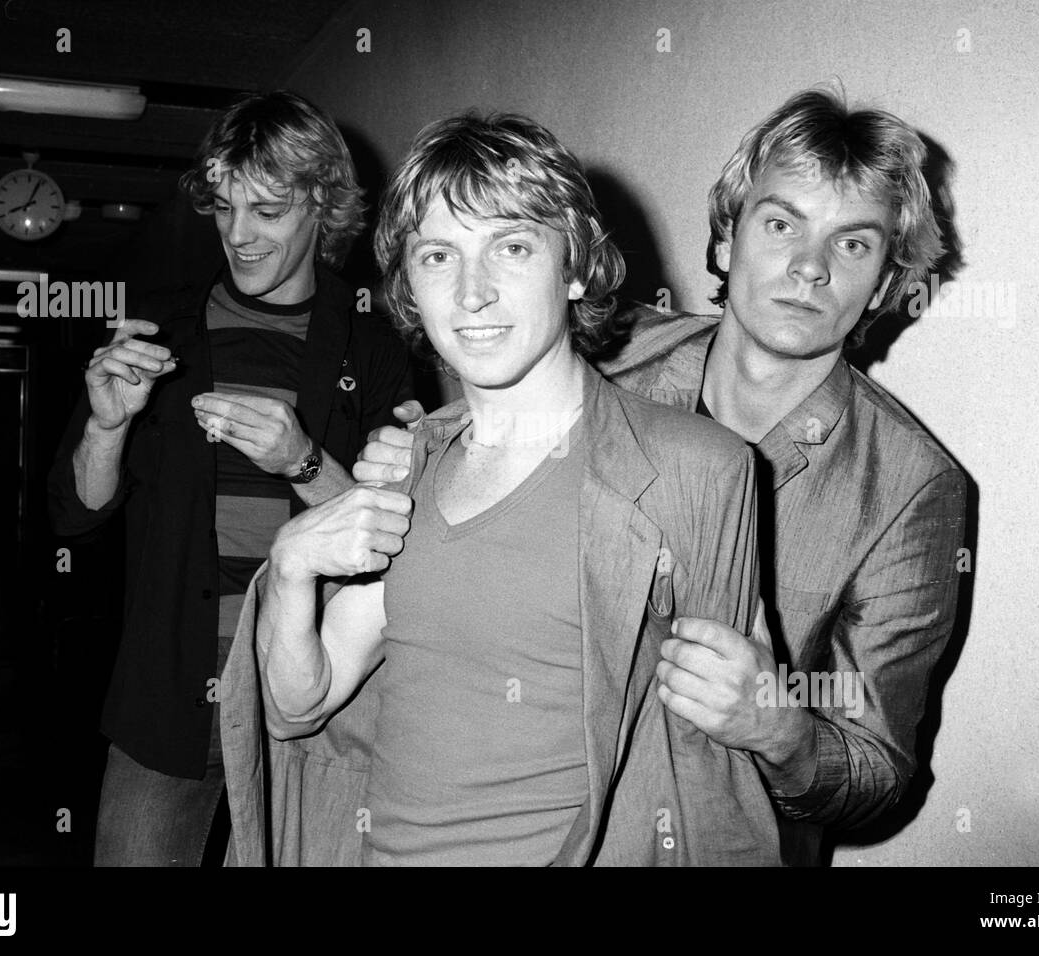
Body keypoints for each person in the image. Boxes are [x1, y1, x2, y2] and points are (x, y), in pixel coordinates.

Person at [355, 89, 968, 865]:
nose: (808, 268)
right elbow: (484, 438)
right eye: (781, 224)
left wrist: (780, 729)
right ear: (726, 237)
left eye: (853, 245)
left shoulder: (911, 488)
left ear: (884, 283)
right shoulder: (611, 354)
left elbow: (879, 770)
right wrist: (415, 452)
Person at [219, 112, 774, 866]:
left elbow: (712, 768)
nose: (472, 293)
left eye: (511, 247)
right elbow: (295, 707)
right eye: (438, 256)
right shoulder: (409, 467)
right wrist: (290, 567)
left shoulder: (697, 468)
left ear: (574, 266)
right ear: (410, 287)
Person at [46, 91, 412, 866]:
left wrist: (305, 463)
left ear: (323, 204)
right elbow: (74, 515)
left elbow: (404, 548)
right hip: (166, 703)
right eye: (223, 206)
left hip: (312, 709)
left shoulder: (376, 348)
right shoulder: (158, 329)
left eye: (268, 210)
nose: (238, 235)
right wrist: (106, 425)